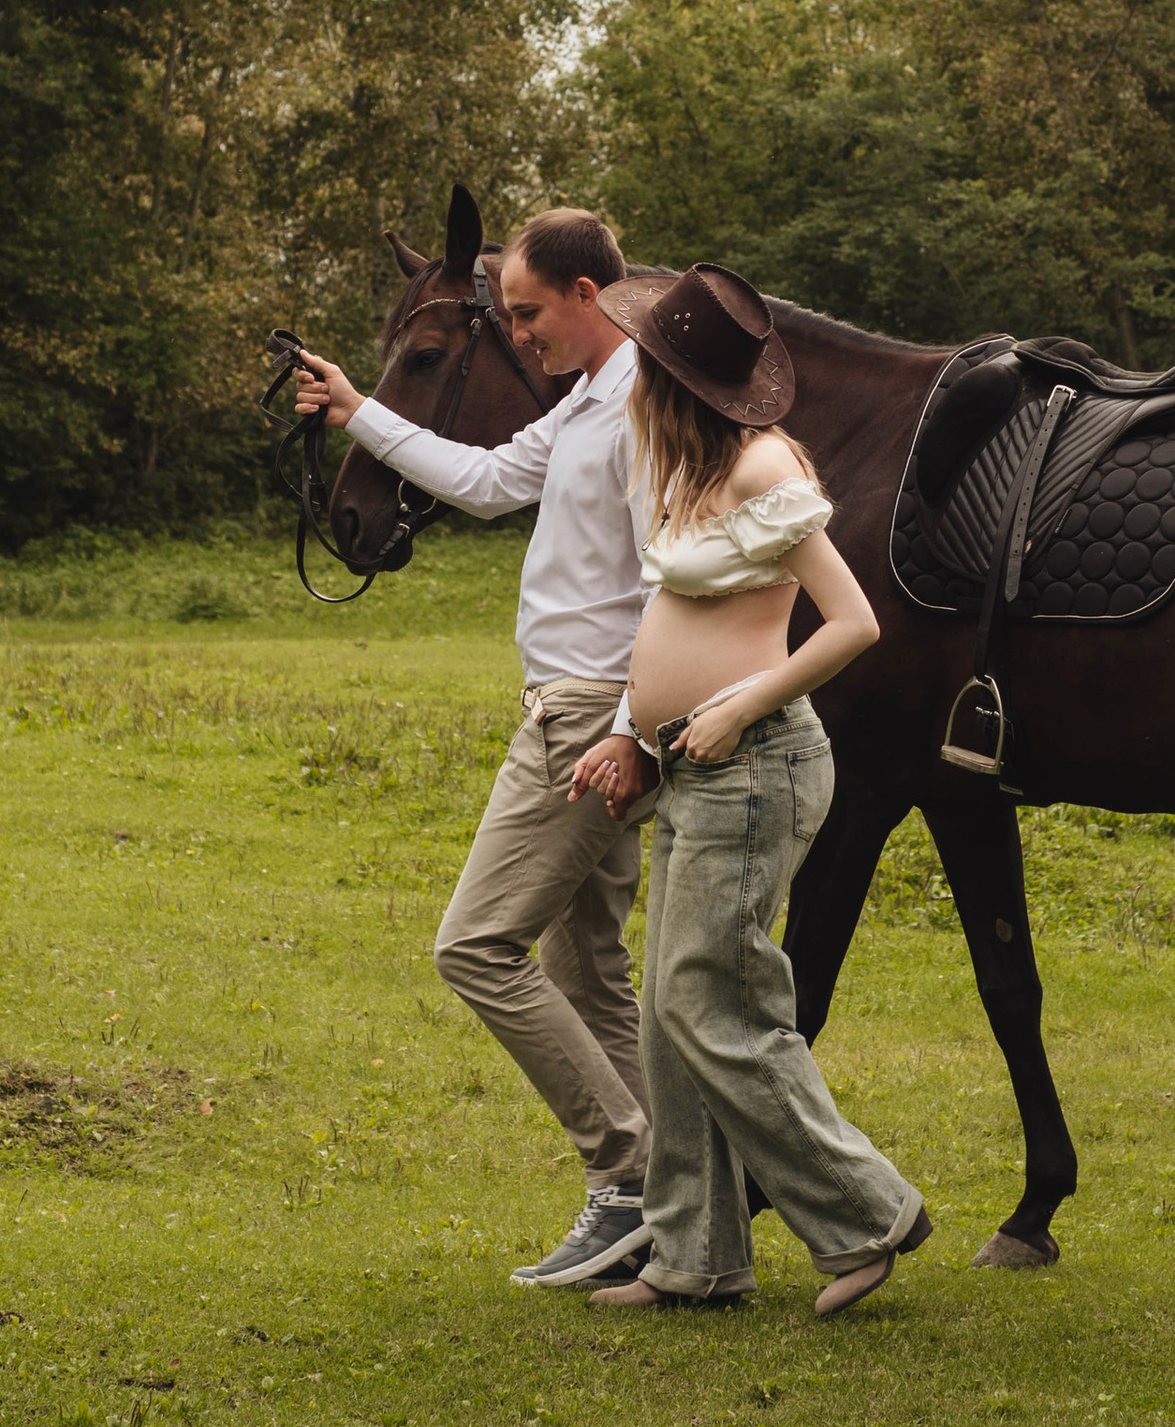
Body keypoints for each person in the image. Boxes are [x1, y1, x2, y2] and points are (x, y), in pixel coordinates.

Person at [290, 207, 655, 1290]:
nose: (522, 333)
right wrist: (358, 410)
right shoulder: (589, 400)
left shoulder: (644, 404)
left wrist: (633, 727)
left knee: (475, 946)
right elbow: (490, 480)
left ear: (589, 297)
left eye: (531, 312)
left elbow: (674, 578)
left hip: (590, 717)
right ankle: (675, 1195)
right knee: (583, 962)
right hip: (573, 704)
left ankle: (625, 1172)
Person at [567, 263, 932, 1320]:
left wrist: (732, 708)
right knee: (667, 1020)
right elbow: (681, 625)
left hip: (755, 762)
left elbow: (854, 621)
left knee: (708, 1000)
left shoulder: (763, 466)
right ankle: (695, 1256)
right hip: (686, 760)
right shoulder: (689, 461)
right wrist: (634, 731)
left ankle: (865, 1212)